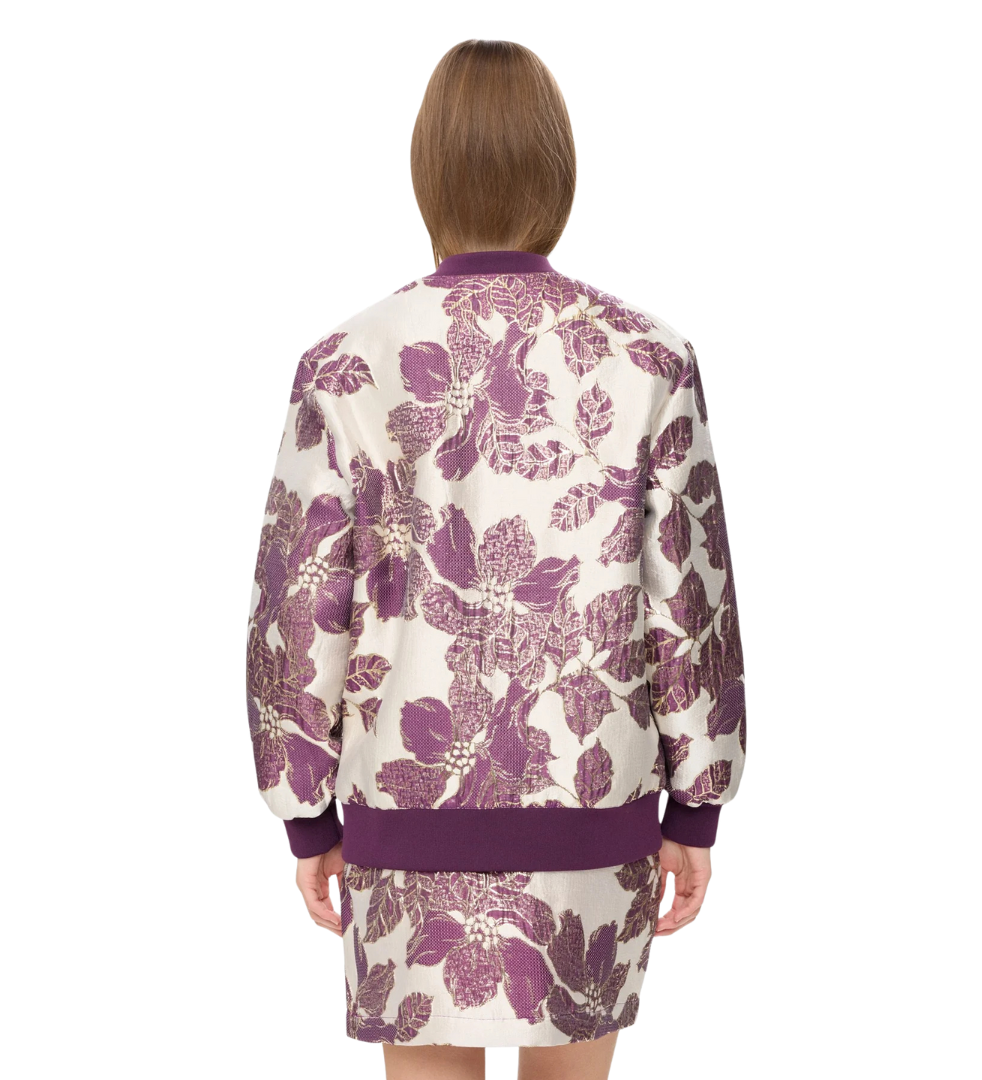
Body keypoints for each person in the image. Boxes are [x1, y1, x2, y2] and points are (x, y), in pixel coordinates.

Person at [244, 38, 747, 1080]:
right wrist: (697, 801)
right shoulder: (650, 359)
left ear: (427, 170)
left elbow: (298, 607)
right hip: (595, 804)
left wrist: (306, 812)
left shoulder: (346, 363)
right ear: (557, 170)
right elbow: (690, 596)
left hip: (403, 810)